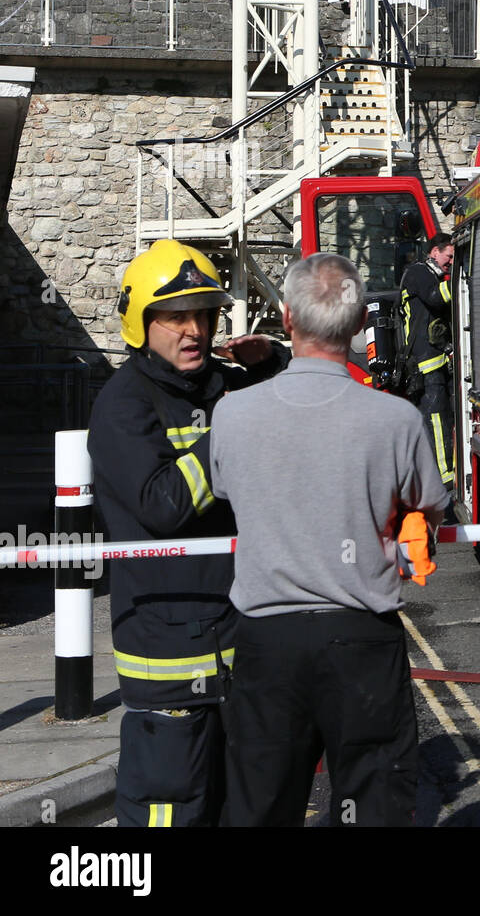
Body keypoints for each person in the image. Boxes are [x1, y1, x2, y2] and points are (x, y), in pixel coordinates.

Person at [210, 253, 447, 827]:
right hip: (361, 638)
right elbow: (430, 508)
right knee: (375, 807)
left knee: (260, 808)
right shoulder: (396, 421)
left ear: (286, 318)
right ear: (362, 320)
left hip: (267, 641)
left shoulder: (232, 414)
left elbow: (224, 489)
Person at [87, 239, 286, 827]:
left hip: (238, 642)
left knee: (242, 804)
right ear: (141, 323)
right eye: (175, 317)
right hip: (168, 654)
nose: (193, 329)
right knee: (169, 807)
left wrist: (271, 365)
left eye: (203, 314)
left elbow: (299, 411)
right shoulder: (123, 404)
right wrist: (228, 428)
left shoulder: (222, 384)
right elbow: (163, 506)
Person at [399, 231, 456, 486]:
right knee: (436, 418)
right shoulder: (419, 273)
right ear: (435, 251)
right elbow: (436, 297)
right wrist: (460, 280)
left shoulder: (432, 274)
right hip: (425, 362)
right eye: (449, 257)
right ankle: (444, 479)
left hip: (436, 359)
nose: (451, 262)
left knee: (442, 416)